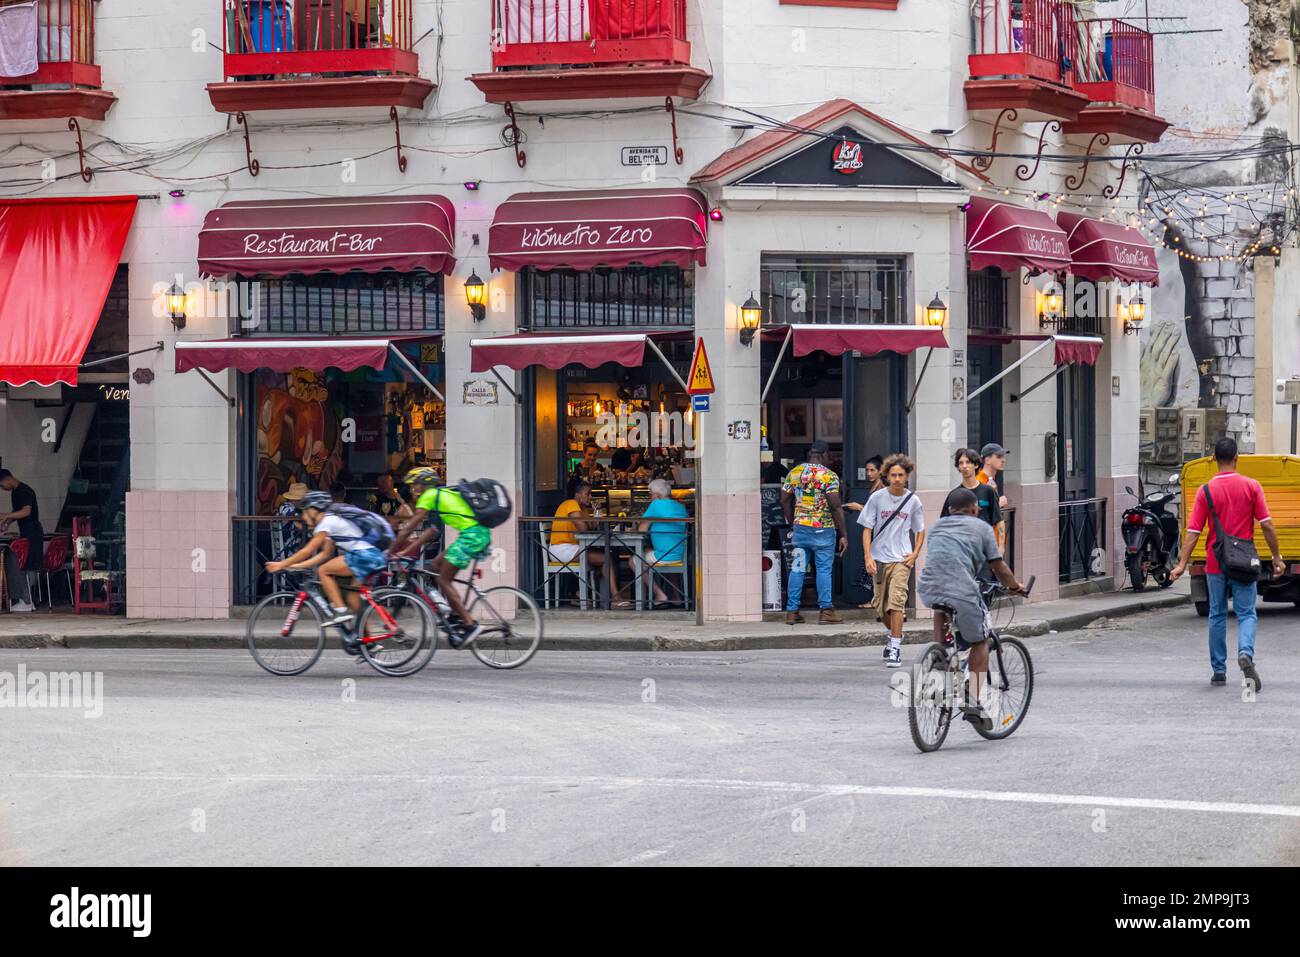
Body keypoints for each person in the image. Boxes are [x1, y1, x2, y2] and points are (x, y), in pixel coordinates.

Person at [1170, 437, 1285, 690]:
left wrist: (1181, 564)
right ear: (1237, 458)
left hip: (1215, 563)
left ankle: (1219, 671)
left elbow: (1193, 531)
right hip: (1244, 561)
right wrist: (1277, 557)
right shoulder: (1252, 486)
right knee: (1246, 613)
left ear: (1213, 459)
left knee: (1217, 614)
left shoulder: (1206, 490)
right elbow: (1266, 524)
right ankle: (1245, 653)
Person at [918, 487, 1030, 728]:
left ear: (949, 510)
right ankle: (972, 699)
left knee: (941, 608)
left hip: (928, 588)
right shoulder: (981, 528)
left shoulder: (937, 526)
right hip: (961, 590)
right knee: (980, 640)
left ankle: (940, 656)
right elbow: (998, 567)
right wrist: (1014, 586)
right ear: (975, 509)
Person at [264, 491, 390, 651]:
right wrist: (297, 566)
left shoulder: (326, 522)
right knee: (353, 599)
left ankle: (340, 611)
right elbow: (324, 554)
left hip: (364, 556)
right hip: (372, 556)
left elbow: (307, 551)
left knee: (324, 571)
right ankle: (368, 642)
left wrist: (281, 564)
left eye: (304, 511)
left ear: (313, 510)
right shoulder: (332, 524)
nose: (303, 516)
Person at [391, 469, 493, 646]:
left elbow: (408, 529)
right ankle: (455, 616)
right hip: (471, 534)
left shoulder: (428, 496)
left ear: (424, 485)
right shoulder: (439, 495)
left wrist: (390, 551)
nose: (413, 490)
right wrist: (405, 552)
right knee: (434, 567)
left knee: (444, 580)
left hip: (472, 536)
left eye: (415, 486)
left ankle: (469, 624)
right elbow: (431, 531)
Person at [859, 453, 926, 667]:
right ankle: (893, 634)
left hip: (901, 559)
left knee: (897, 602)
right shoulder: (877, 498)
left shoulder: (913, 501)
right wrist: (868, 557)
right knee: (880, 606)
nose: (897, 479)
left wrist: (914, 554)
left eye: (901, 475)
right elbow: (867, 529)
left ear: (907, 476)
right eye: (893, 475)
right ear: (886, 476)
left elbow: (920, 530)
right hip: (879, 559)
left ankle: (895, 647)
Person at [780, 439, 847, 625]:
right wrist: (844, 534)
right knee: (824, 570)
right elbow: (835, 506)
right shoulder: (829, 476)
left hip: (800, 530)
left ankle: (792, 611)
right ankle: (826, 611)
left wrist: (792, 522)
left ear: (810, 454)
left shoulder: (795, 473)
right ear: (825, 455)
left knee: (798, 568)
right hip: (823, 531)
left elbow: (784, 499)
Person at [548, 478, 622, 606]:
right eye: (588, 493)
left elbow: (592, 527)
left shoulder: (582, 508)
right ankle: (615, 597)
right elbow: (584, 529)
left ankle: (584, 593)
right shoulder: (571, 504)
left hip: (574, 547)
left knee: (605, 558)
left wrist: (597, 511)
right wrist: (589, 522)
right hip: (561, 549)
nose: (590, 496)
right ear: (578, 494)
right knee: (606, 558)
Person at [636, 478, 688, 607]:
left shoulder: (656, 505)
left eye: (650, 494)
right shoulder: (680, 506)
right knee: (650, 552)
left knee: (634, 560)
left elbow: (641, 530)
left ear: (657, 495)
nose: (650, 497)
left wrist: (643, 521)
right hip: (678, 555)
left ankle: (659, 594)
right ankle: (677, 597)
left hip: (664, 556)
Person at [844, 454, 885, 608]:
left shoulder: (880, 489)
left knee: (875, 567)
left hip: (878, 534)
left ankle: (876, 600)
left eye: (872, 470)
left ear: (880, 471)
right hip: (874, 533)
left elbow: (879, 513)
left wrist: (859, 507)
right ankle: (876, 599)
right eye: (867, 470)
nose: (868, 473)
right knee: (872, 567)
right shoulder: (875, 487)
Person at [0, 468, 42, 612]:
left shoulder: (24, 491)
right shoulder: (15, 492)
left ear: (7, 479)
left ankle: (27, 600)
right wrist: (8, 521)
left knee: (29, 564)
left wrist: (6, 515)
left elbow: (26, 511)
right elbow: (17, 513)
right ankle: (27, 599)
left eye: (1, 485)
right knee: (25, 563)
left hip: (33, 531)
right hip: (27, 530)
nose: (2, 489)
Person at [941, 448, 1002, 528]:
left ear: (976, 465)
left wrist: (999, 540)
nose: (964, 466)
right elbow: (943, 524)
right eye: (961, 463)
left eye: (968, 462)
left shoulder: (988, 491)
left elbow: (999, 521)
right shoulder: (954, 495)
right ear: (958, 467)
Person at [976, 443, 1010, 546]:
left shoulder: (991, 481)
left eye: (1003, 457)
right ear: (987, 460)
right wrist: (998, 504)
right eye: (999, 457)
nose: (1003, 460)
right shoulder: (979, 481)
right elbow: (979, 510)